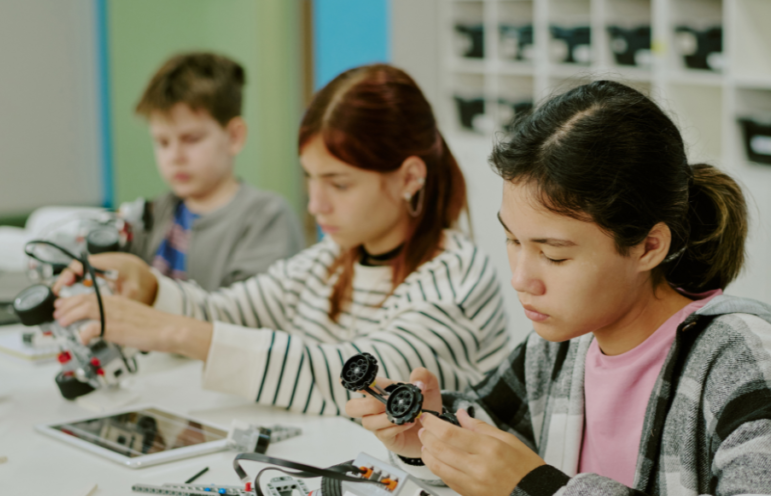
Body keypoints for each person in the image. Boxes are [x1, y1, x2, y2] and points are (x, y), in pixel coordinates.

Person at [347, 80, 771, 496]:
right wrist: (427, 438)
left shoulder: (740, 357)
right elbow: (492, 443)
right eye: (513, 241)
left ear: (648, 246)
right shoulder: (560, 346)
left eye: (553, 254)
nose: (521, 277)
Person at [54, 64, 510, 415]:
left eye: (339, 184)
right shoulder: (330, 259)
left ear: (409, 178)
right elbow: (228, 311)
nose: (315, 205)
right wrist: (149, 285)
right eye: (311, 179)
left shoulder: (457, 279)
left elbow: (357, 379)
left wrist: (170, 330)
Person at [128, 52, 304, 291]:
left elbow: (245, 310)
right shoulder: (154, 214)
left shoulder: (266, 218)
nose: (175, 157)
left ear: (234, 136)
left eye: (191, 139)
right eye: (163, 142)